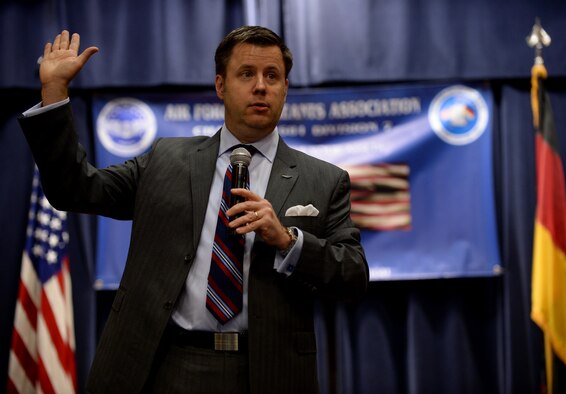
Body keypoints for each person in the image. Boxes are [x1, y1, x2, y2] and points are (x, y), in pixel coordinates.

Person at [18, 26, 369, 393]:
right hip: (169, 364)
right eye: (246, 74)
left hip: (270, 370)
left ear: (284, 89)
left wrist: (287, 241)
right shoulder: (166, 159)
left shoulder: (324, 179)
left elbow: (353, 275)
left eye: (272, 76)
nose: (261, 86)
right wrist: (54, 91)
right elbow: (75, 190)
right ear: (220, 86)